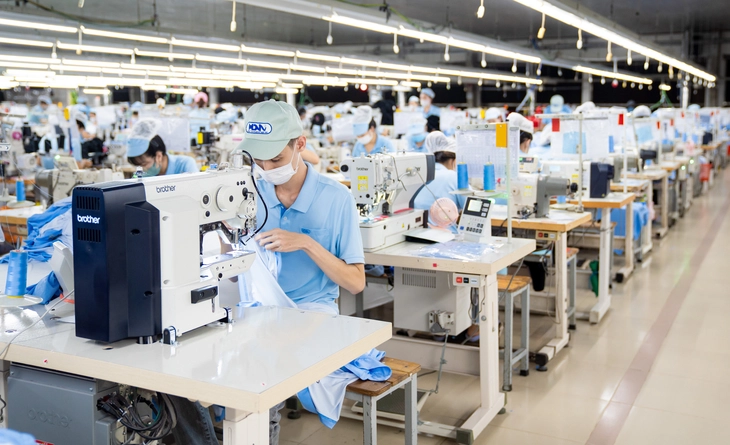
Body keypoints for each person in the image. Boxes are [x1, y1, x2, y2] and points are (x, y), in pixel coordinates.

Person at [240, 99, 366, 443]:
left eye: (276, 159)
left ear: (300, 144)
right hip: (259, 307)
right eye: (258, 160)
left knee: (263, 368)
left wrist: (308, 244)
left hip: (311, 310)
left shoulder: (336, 199)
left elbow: (356, 282)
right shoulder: (250, 192)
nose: (266, 168)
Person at [412, 131, 466, 228]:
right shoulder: (453, 177)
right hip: (446, 235)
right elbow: (470, 205)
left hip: (416, 233)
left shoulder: (419, 174)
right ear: (453, 161)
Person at [126, 119, 198, 176]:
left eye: (144, 164)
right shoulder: (142, 176)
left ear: (159, 156)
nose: (141, 169)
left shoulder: (185, 165)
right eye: (138, 166)